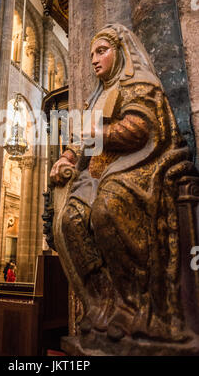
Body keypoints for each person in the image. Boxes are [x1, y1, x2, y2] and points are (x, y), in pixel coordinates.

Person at [50, 23, 199, 350]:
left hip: (138, 166)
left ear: (122, 52)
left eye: (101, 50)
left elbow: (141, 129)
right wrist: (67, 158)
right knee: (69, 221)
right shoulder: (96, 97)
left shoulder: (140, 84)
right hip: (98, 174)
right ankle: (103, 303)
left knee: (108, 210)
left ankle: (139, 307)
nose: (93, 59)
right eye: (90, 54)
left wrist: (101, 136)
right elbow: (79, 139)